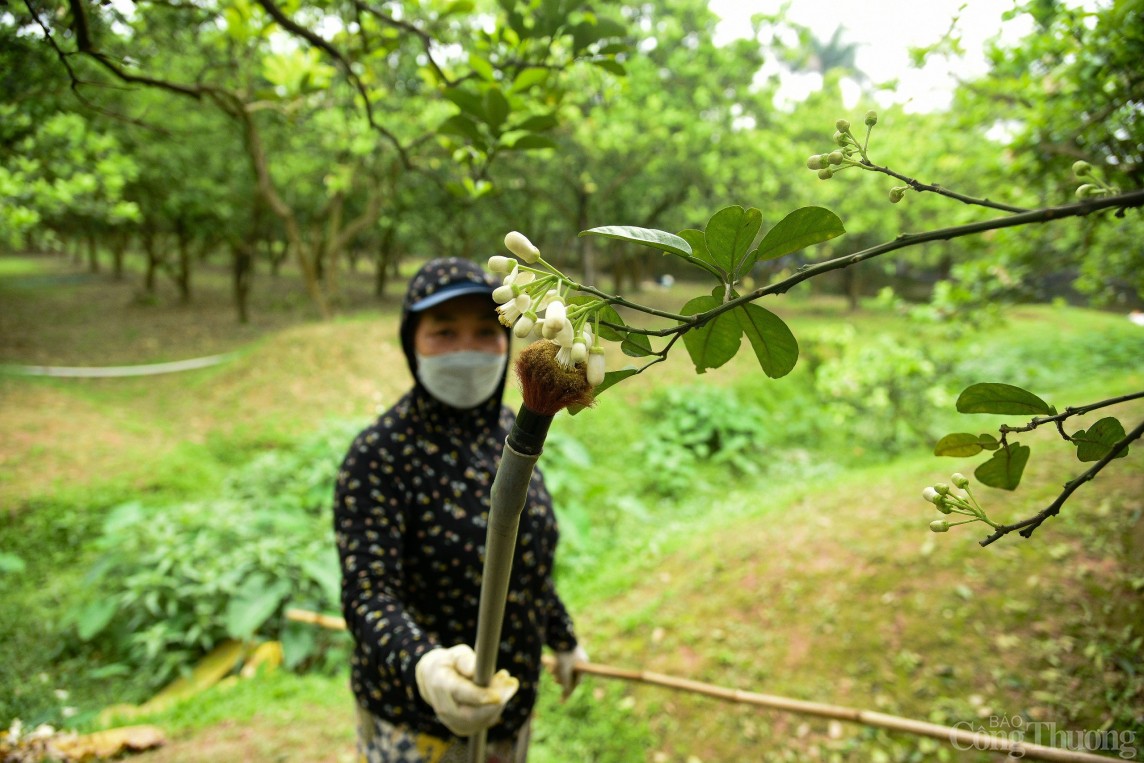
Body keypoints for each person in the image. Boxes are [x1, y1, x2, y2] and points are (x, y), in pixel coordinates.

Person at [333, 258, 587, 763]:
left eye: (483, 332)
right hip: (416, 725)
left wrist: (563, 638)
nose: (466, 350)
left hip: (508, 716)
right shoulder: (379, 455)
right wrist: (426, 667)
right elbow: (367, 593)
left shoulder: (512, 433)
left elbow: (525, 558)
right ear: (413, 343)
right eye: (444, 332)